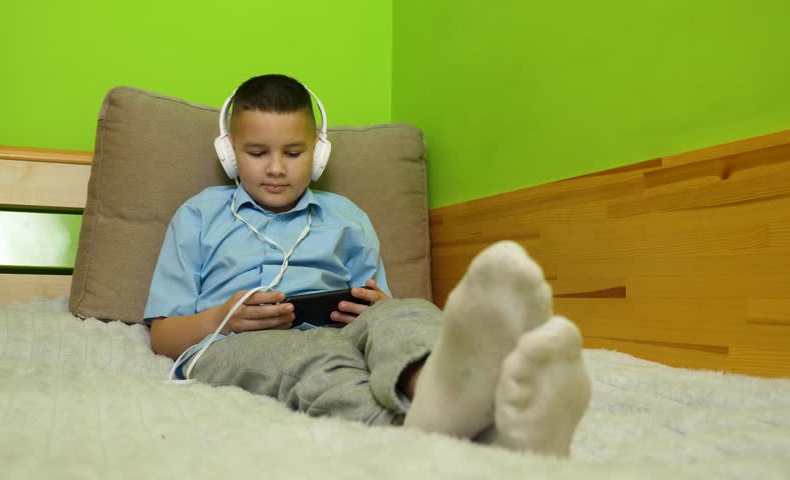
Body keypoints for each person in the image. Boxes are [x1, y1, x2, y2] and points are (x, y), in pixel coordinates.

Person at [144, 74, 591, 456]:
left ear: (318, 152)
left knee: (409, 312)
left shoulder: (347, 218)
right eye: (257, 153)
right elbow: (162, 335)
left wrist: (378, 305)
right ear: (229, 152)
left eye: (293, 153)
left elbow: (382, 311)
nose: (276, 168)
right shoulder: (199, 216)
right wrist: (222, 318)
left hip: (340, 329)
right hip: (231, 344)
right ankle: (414, 429)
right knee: (318, 356)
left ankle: (448, 388)